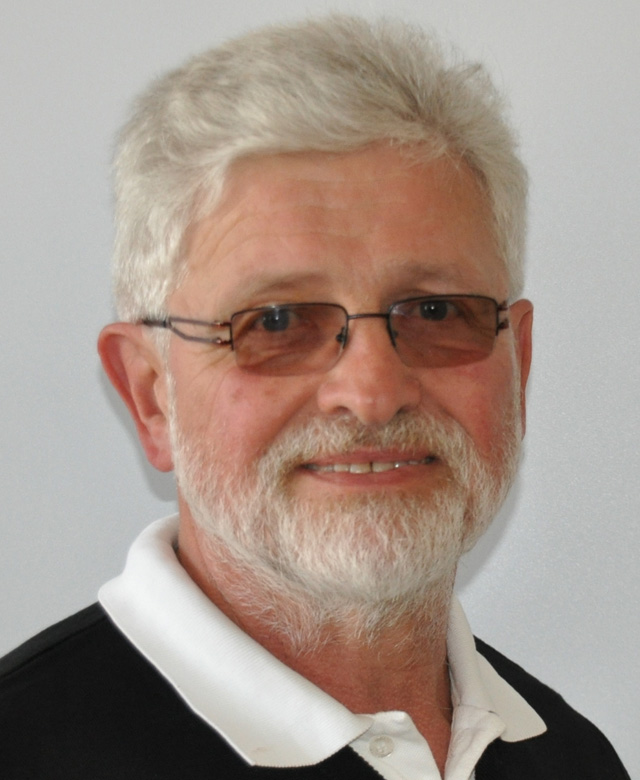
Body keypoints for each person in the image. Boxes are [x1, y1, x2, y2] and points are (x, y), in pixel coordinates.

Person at [0, 15, 630, 780]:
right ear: (152, 395)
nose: (372, 394)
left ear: (518, 366)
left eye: (435, 312)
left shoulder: (573, 759)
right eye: (277, 322)